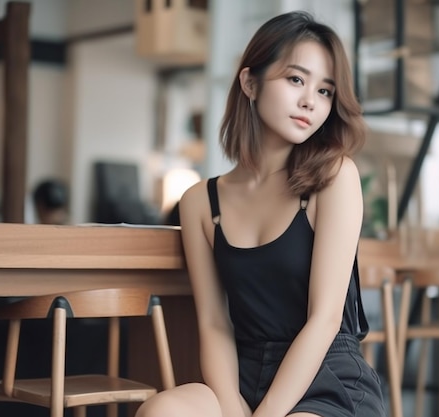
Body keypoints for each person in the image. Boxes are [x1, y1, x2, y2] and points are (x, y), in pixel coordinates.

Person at [135, 10, 385, 417]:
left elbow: (323, 320)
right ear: (250, 82)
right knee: (160, 411)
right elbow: (215, 324)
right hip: (242, 375)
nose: (310, 100)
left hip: (325, 376)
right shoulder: (200, 201)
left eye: (325, 91)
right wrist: (234, 407)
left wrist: (267, 413)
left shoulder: (335, 177)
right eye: (296, 80)